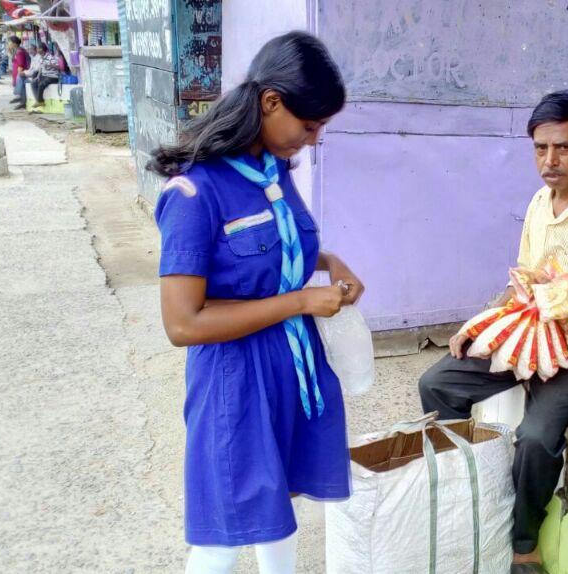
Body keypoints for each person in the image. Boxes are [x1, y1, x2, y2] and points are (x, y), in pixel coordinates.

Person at [418, 90, 568, 573]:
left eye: (563, 148)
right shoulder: (539, 203)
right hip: (532, 331)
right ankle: (471, 490)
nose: (549, 161)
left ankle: (524, 543)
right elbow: (525, 280)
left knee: (536, 435)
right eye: (540, 149)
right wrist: (482, 324)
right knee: (437, 382)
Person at [148, 31, 361, 574]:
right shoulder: (194, 193)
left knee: (277, 508)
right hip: (233, 381)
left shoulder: (272, 170)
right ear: (271, 102)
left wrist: (326, 261)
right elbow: (183, 323)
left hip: (289, 366)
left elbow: (268, 254)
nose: (312, 140)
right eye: (309, 125)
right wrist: (299, 302)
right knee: (225, 529)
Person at [29, 46, 60, 112]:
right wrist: (38, 76)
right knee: (33, 83)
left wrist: (50, 65)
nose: (37, 50)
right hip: (44, 75)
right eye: (37, 48)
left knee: (41, 84)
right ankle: (38, 100)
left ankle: (40, 101)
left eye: (39, 48)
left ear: (42, 49)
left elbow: (58, 66)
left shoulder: (50, 57)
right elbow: (41, 68)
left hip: (53, 76)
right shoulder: (41, 58)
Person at [9, 37, 29, 109]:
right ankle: (22, 103)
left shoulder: (19, 52)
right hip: (16, 72)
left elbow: (21, 64)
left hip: (19, 72)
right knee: (22, 88)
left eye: (10, 42)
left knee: (21, 87)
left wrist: (19, 74)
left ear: (14, 43)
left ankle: (21, 100)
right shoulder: (16, 50)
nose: (9, 44)